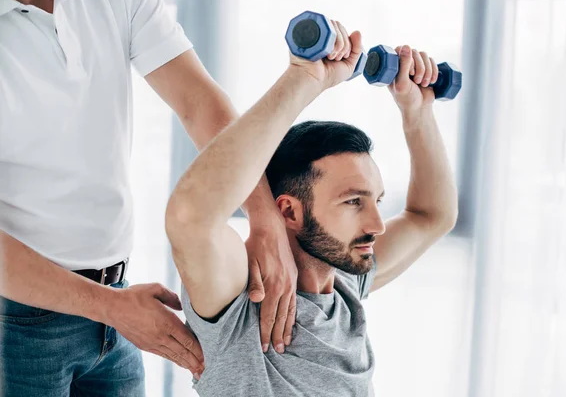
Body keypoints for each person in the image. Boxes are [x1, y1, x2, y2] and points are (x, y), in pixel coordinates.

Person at [0, 0, 298, 395]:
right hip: (16, 327)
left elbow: (199, 102)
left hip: (118, 301)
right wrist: (109, 306)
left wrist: (266, 219)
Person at [165, 21, 459, 396]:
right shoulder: (240, 300)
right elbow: (191, 217)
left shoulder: (345, 283)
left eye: (376, 201)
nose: (377, 225)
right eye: (353, 202)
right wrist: (303, 79)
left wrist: (417, 114)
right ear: (288, 211)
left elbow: (432, 216)